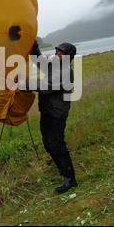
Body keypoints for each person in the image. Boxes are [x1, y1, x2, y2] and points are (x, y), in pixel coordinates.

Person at [27, 40, 78, 193]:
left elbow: (46, 86)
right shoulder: (55, 65)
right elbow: (40, 61)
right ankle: (62, 170)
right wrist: (34, 46)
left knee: (57, 144)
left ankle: (70, 179)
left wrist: (23, 84)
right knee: (48, 144)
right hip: (47, 112)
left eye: (61, 53)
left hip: (57, 114)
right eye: (57, 51)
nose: (57, 54)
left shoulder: (65, 71)